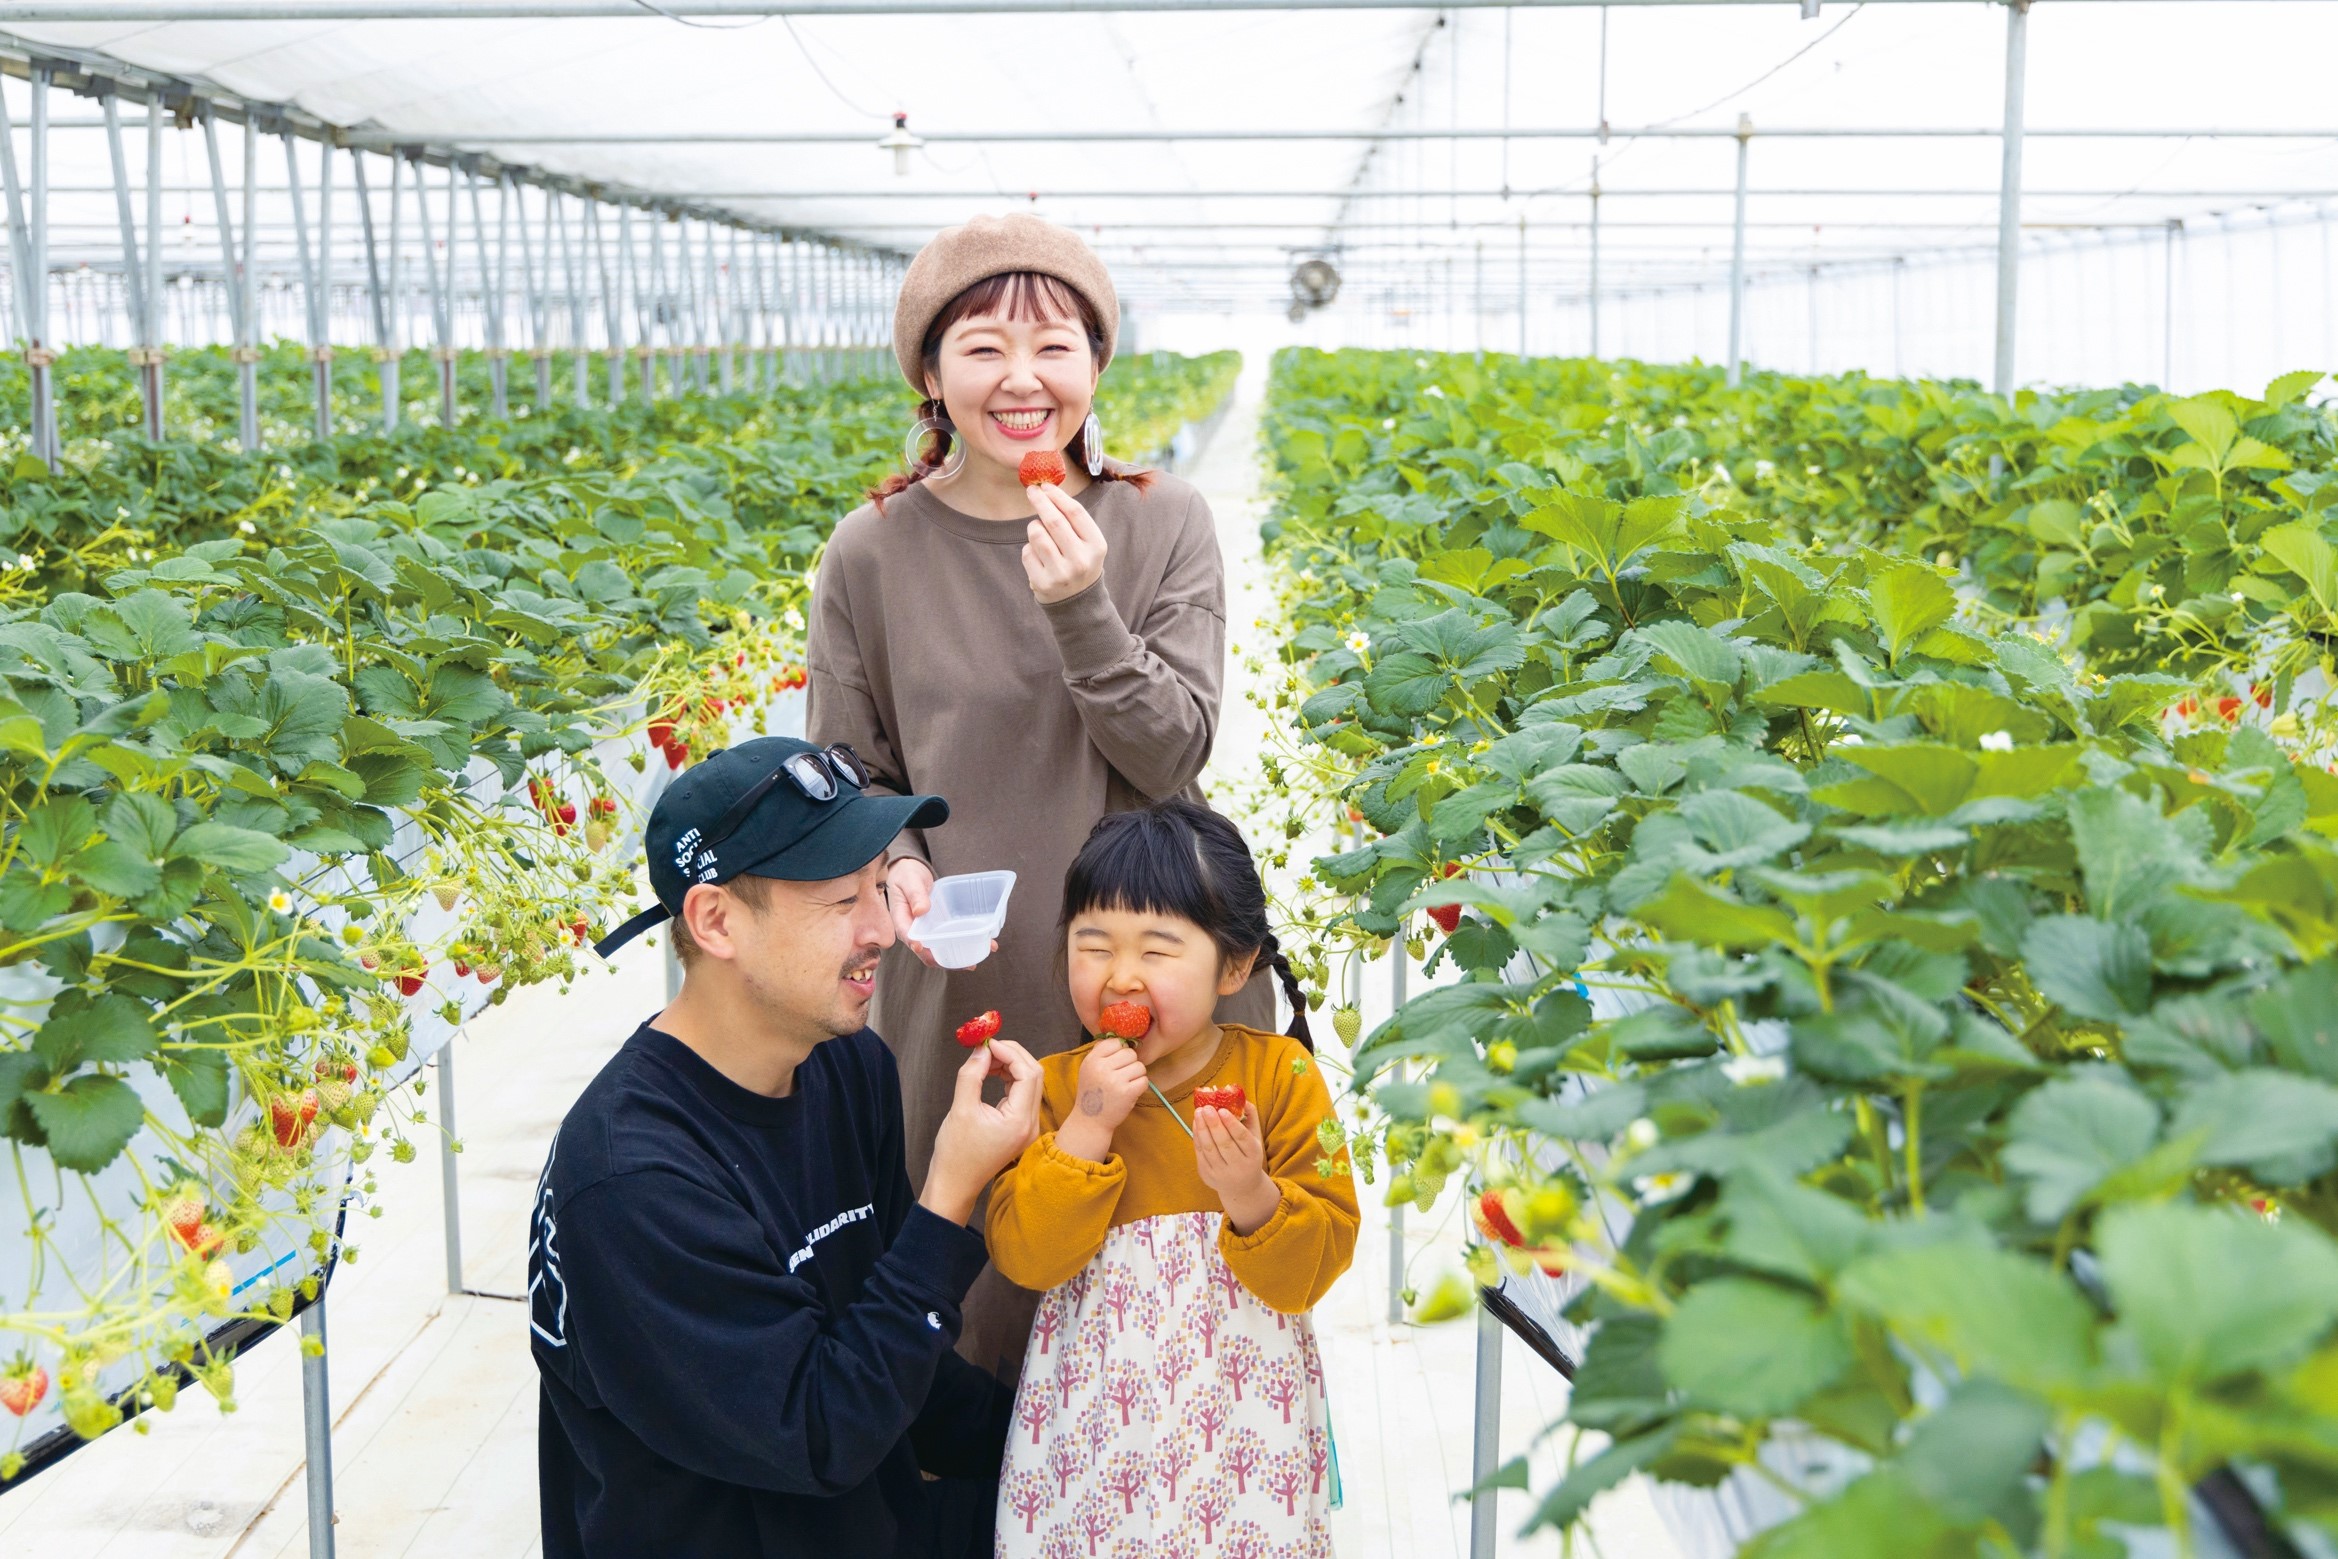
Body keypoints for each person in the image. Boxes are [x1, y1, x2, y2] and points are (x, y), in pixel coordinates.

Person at [807, 212, 1271, 1382]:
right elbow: (852, 766)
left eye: (1055, 345)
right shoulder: (871, 549)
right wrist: (896, 855)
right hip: (959, 977)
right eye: (981, 348)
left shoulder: (1161, 521)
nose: (1022, 379)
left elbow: (1171, 753)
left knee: (1154, 1316)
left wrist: (1081, 605)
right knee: (972, 1304)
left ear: (1096, 364)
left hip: (1145, 976)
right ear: (928, 372)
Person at [529, 735, 1042, 1558]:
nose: (883, 926)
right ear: (717, 920)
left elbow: (896, 1358)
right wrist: (949, 1200)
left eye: (881, 884)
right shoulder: (630, 1177)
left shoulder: (847, 1067)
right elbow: (818, 1431)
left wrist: (1061, 1447)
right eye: (844, 902)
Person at [983, 801, 1358, 1556]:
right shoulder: (1054, 1089)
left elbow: (1313, 1270)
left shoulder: (1280, 1076)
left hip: (1246, 1427)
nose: (1120, 975)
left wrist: (1251, 1193)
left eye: (1158, 950)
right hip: (1092, 1434)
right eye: (1093, 945)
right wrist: (1088, 1128)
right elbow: (1025, 1255)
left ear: (1235, 963)